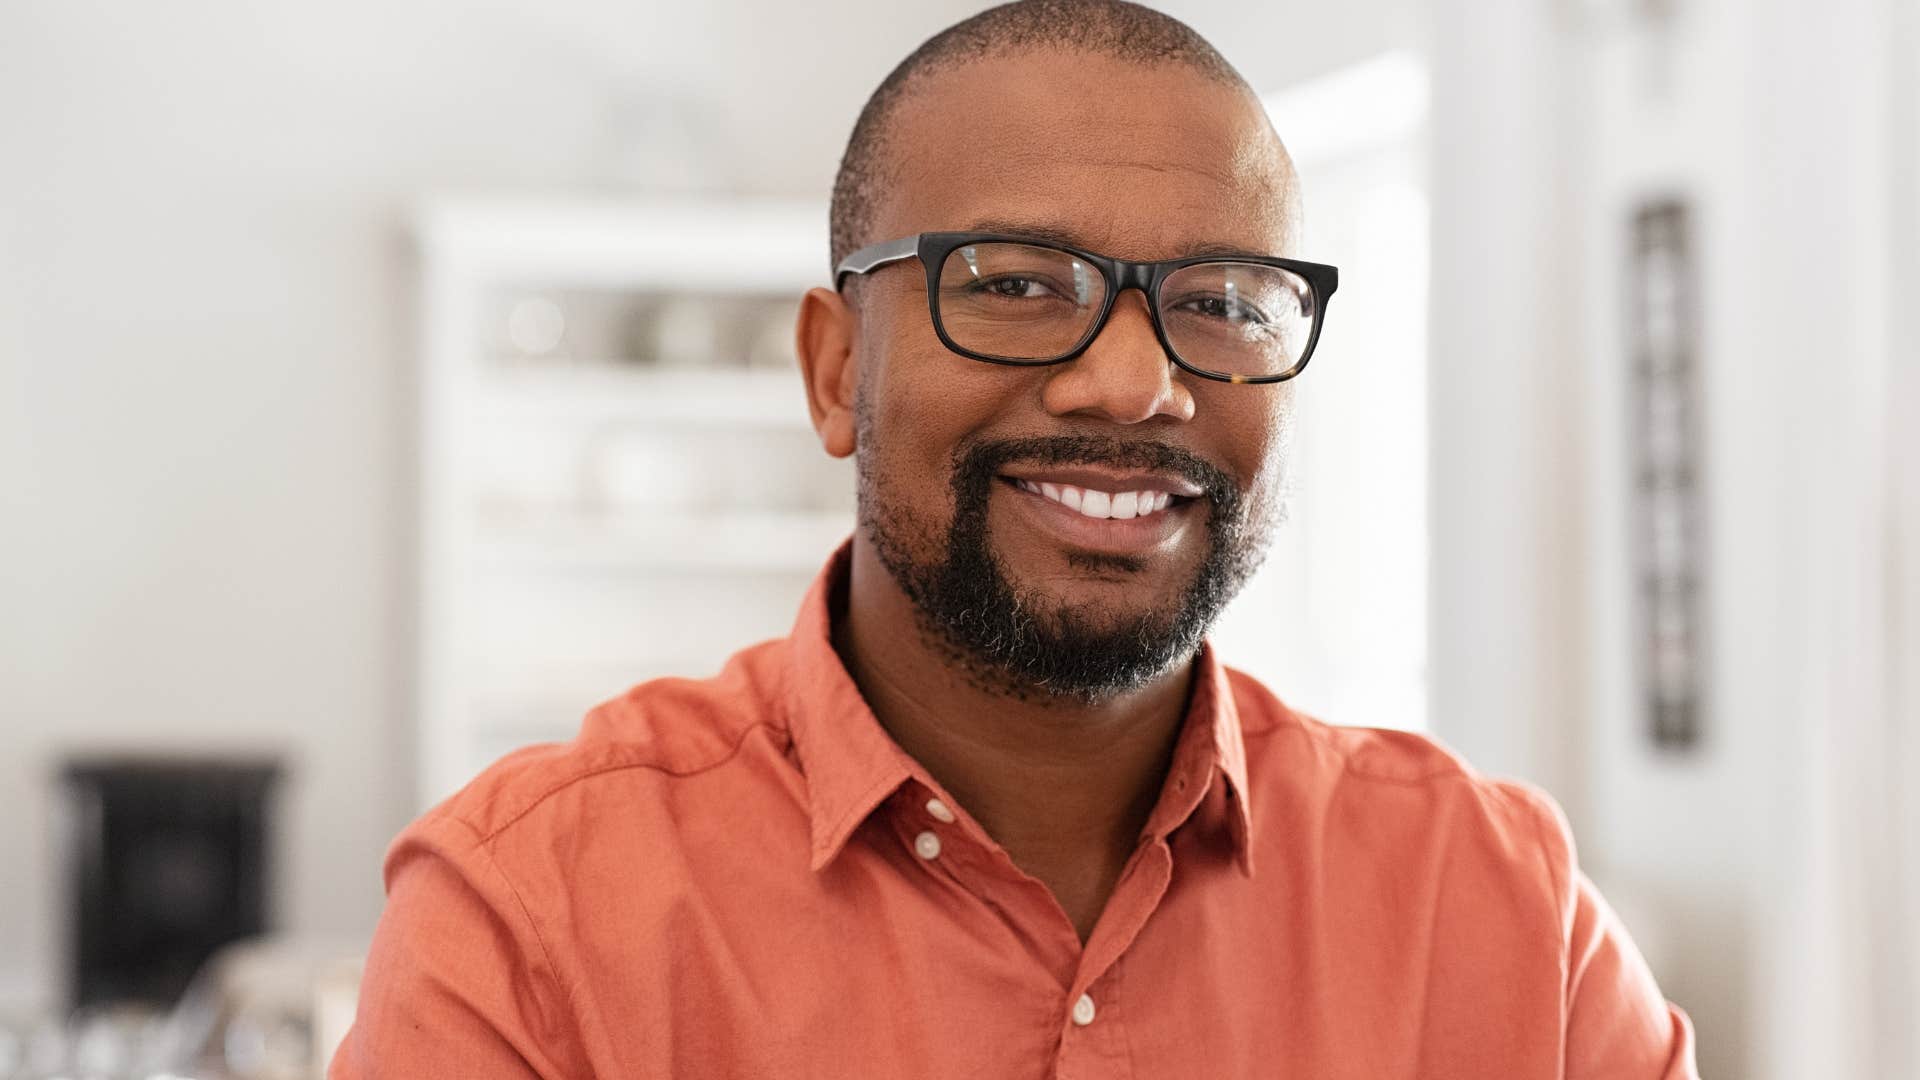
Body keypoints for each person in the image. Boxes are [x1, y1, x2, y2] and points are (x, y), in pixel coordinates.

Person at [332, 2, 1699, 1076]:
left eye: (1222, 301)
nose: (1131, 382)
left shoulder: (1506, 921)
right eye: (1019, 285)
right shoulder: (533, 920)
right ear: (830, 373)